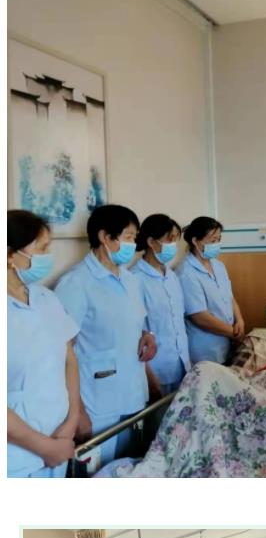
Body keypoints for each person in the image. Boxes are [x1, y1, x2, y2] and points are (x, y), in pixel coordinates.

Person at [54, 204, 157, 465]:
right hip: (97, 402)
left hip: (134, 392)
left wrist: (147, 334)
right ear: (104, 237)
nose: (133, 244)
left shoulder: (130, 280)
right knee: (101, 471)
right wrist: (77, 412)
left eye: (135, 237)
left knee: (129, 466)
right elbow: (60, 352)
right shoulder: (76, 283)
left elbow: (133, 322)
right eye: (129, 237)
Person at [8, 210, 86, 477]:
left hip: (60, 440)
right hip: (16, 458)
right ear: (10, 255)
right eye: (41, 249)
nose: (48, 256)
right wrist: (45, 448)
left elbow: (69, 359)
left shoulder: (45, 298)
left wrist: (72, 418)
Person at [132, 214, 191, 398]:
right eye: (170, 239)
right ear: (151, 241)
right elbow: (135, 334)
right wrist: (149, 377)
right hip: (157, 370)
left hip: (181, 365)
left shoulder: (171, 276)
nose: (174, 245)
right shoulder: (135, 279)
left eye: (176, 240)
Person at [177, 216, 245, 364]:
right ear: (196, 241)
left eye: (219, 239)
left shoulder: (219, 266)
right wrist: (234, 333)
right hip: (206, 350)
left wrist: (239, 320)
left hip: (228, 342)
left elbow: (230, 297)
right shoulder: (186, 273)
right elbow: (200, 318)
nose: (217, 244)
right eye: (213, 240)